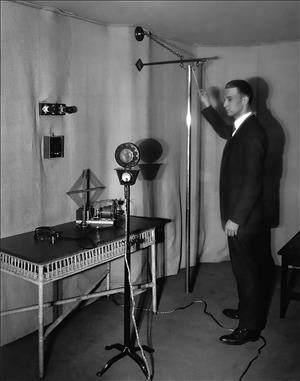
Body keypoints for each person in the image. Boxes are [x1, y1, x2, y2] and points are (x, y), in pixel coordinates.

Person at [198, 80, 275, 345]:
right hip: (244, 216)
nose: (225, 103)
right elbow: (223, 130)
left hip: (245, 219)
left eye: (229, 99)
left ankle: (250, 328)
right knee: (245, 269)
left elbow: (253, 182)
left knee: (247, 272)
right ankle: (246, 310)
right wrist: (207, 106)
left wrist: (236, 218)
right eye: (225, 99)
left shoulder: (253, 134)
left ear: (245, 100)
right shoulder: (242, 128)